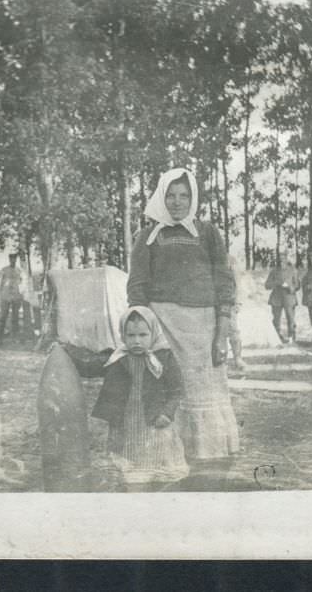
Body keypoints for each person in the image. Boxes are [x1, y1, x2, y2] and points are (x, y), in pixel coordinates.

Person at [127, 168, 239, 479]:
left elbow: (224, 282)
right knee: (167, 386)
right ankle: (167, 456)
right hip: (163, 326)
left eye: (184, 196)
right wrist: (143, 330)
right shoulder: (147, 237)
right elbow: (137, 287)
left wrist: (222, 331)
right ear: (161, 199)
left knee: (203, 390)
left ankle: (206, 460)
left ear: (193, 199)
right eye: (171, 196)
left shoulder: (208, 233)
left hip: (203, 327)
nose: (177, 202)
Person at [91, 306, 188, 490]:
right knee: (128, 459)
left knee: (155, 456)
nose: (136, 341)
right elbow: (89, 364)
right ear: (123, 335)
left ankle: (154, 481)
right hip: (126, 419)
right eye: (131, 335)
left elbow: (176, 390)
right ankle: (132, 479)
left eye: (143, 335)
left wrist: (167, 413)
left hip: (153, 420)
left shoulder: (164, 357)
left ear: (154, 333)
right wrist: (65, 350)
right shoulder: (117, 358)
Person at [265, 254, 300, 343]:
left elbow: (297, 285)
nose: (281, 262)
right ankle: (277, 338)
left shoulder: (293, 270)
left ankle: (291, 337)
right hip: (276, 298)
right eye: (279, 260)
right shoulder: (274, 271)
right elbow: (267, 285)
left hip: (289, 297)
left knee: (290, 318)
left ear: (286, 260)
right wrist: (277, 283)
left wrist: (290, 287)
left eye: (283, 260)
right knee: (276, 319)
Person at [0, 253, 23, 345]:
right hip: (5, 296)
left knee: (15, 318)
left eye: (14, 259)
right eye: (11, 259)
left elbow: (22, 283)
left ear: (16, 260)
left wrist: (20, 294)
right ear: (9, 259)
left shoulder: (19, 271)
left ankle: (15, 338)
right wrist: (1, 294)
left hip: (16, 296)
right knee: (3, 317)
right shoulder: (4, 270)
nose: (13, 261)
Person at [226, 255, 248, 370]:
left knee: (233, 331)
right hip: (212, 301)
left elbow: (238, 283)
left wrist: (238, 301)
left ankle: (237, 358)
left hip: (228, 301)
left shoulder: (230, 259)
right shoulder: (207, 256)